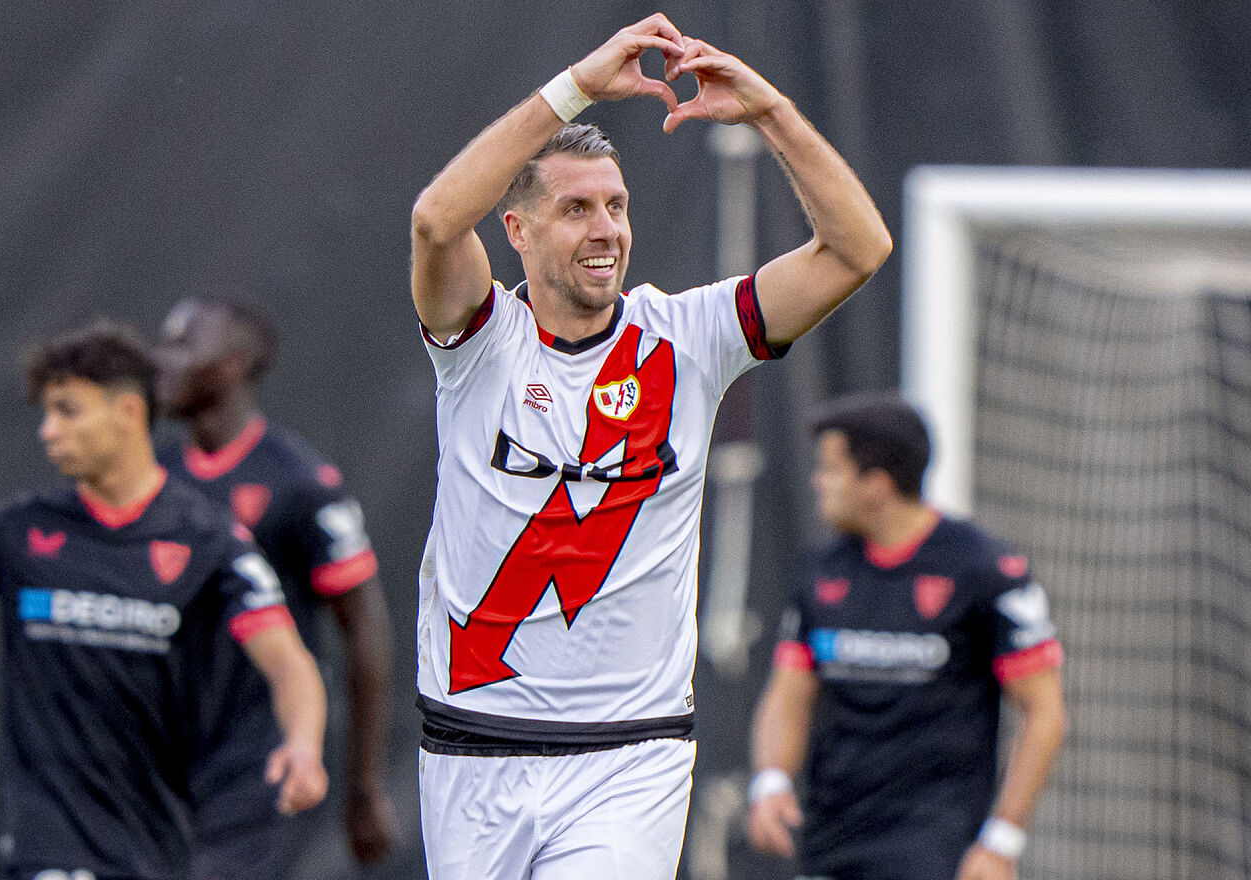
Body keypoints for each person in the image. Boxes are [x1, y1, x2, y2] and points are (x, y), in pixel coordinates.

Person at [409, 13, 891, 880]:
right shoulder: (483, 341)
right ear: (516, 231)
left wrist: (772, 112)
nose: (606, 229)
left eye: (617, 205)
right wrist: (577, 87)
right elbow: (439, 222)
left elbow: (859, 248)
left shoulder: (690, 335)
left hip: (630, 757)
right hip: (473, 750)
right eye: (575, 208)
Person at [0, 321, 329, 880]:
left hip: (156, 838)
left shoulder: (208, 539)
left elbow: (290, 665)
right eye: (45, 414)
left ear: (128, 413)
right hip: (45, 839)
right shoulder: (18, 531)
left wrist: (304, 747)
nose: (48, 431)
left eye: (67, 411)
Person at [746, 393, 1068, 880]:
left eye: (831, 470)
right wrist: (771, 782)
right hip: (830, 845)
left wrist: (1001, 843)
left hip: (937, 854)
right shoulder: (820, 570)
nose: (818, 482)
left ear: (876, 485)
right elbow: (789, 691)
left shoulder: (987, 569)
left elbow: (1046, 714)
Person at [154, 296, 396, 878]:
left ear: (235, 363)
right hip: (157, 763)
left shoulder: (299, 483)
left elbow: (366, 629)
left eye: (184, 344)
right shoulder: (151, 479)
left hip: (257, 763)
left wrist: (363, 785)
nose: (160, 358)